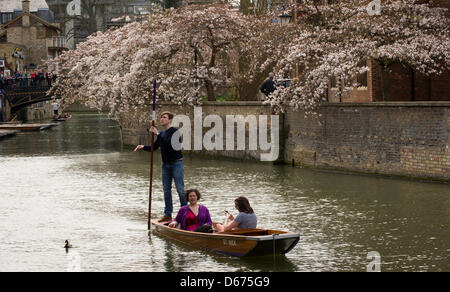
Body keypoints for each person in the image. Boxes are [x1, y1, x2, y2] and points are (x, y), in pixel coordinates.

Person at [134, 111, 187, 222]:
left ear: (170, 120)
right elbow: (155, 147)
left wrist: (158, 134)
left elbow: (170, 143)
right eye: (161, 117)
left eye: (164, 117)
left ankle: (184, 213)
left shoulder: (175, 132)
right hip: (165, 165)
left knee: (180, 190)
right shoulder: (162, 134)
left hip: (176, 163)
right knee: (166, 190)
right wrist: (143, 146)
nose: (162, 119)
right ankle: (168, 214)